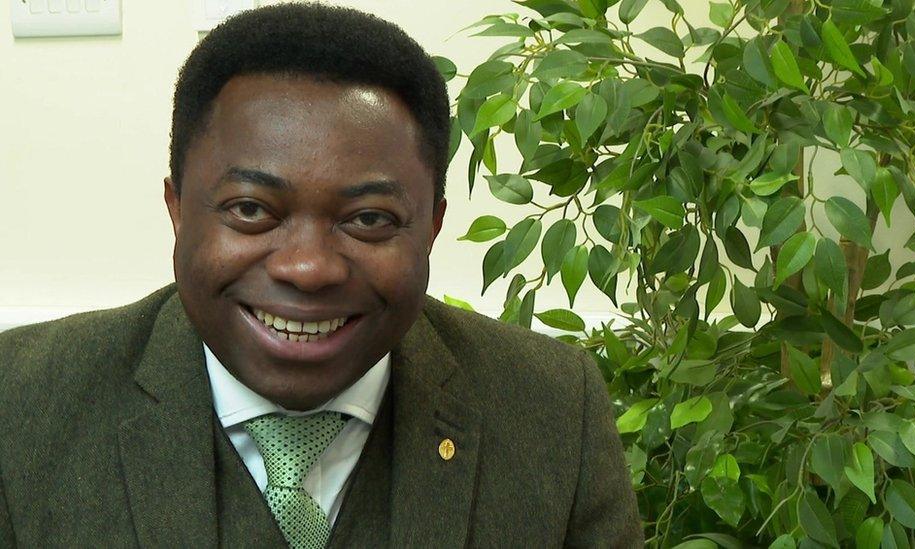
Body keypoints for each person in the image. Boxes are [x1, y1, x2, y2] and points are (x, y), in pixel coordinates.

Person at [0, 3, 641, 547]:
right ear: (176, 209)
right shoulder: (20, 403)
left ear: (433, 226)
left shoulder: (552, 408)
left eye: (367, 219)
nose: (306, 269)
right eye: (250, 211)